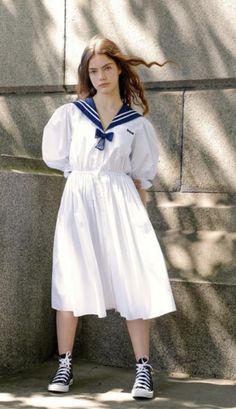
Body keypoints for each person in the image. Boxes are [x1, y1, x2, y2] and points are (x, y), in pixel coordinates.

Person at [42, 34, 176, 399]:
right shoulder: (71, 115)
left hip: (122, 201)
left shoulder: (137, 123)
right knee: (70, 278)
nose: (100, 75)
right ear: (87, 74)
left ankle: (143, 369)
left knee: (134, 279)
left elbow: (140, 175)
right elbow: (59, 159)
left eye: (106, 68)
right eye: (93, 70)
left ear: (119, 69)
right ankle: (65, 363)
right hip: (80, 201)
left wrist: (138, 214)